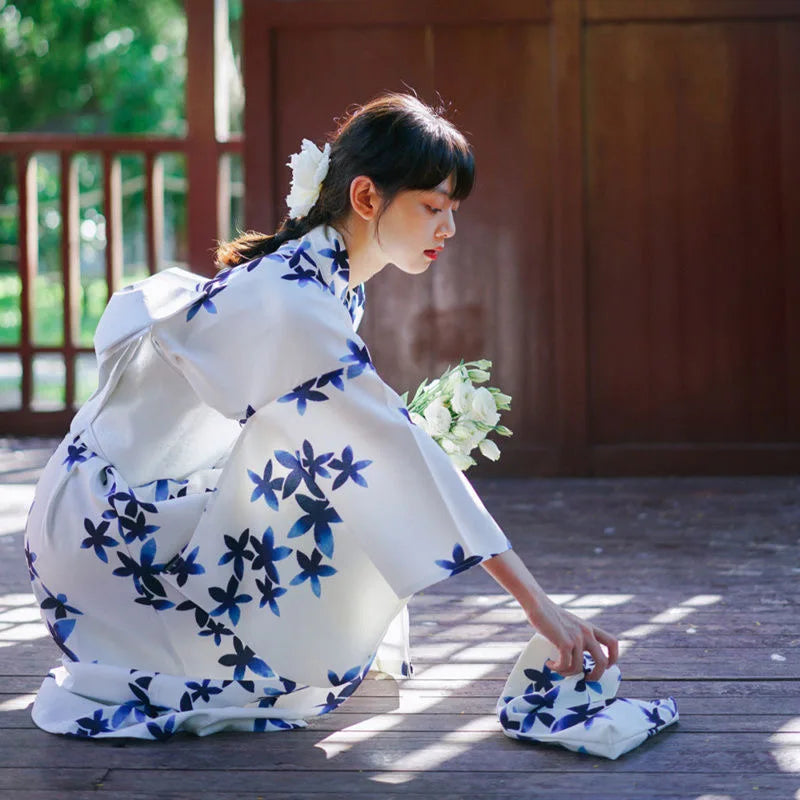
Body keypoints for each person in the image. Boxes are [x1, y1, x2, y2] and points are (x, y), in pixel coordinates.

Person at [24, 92, 617, 739]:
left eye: (452, 211)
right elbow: (395, 448)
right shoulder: (298, 300)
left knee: (343, 482)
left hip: (115, 510)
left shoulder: (326, 278)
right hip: (106, 544)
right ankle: (213, 647)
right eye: (432, 208)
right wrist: (541, 607)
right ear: (366, 199)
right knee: (354, 491)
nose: (447, 229)